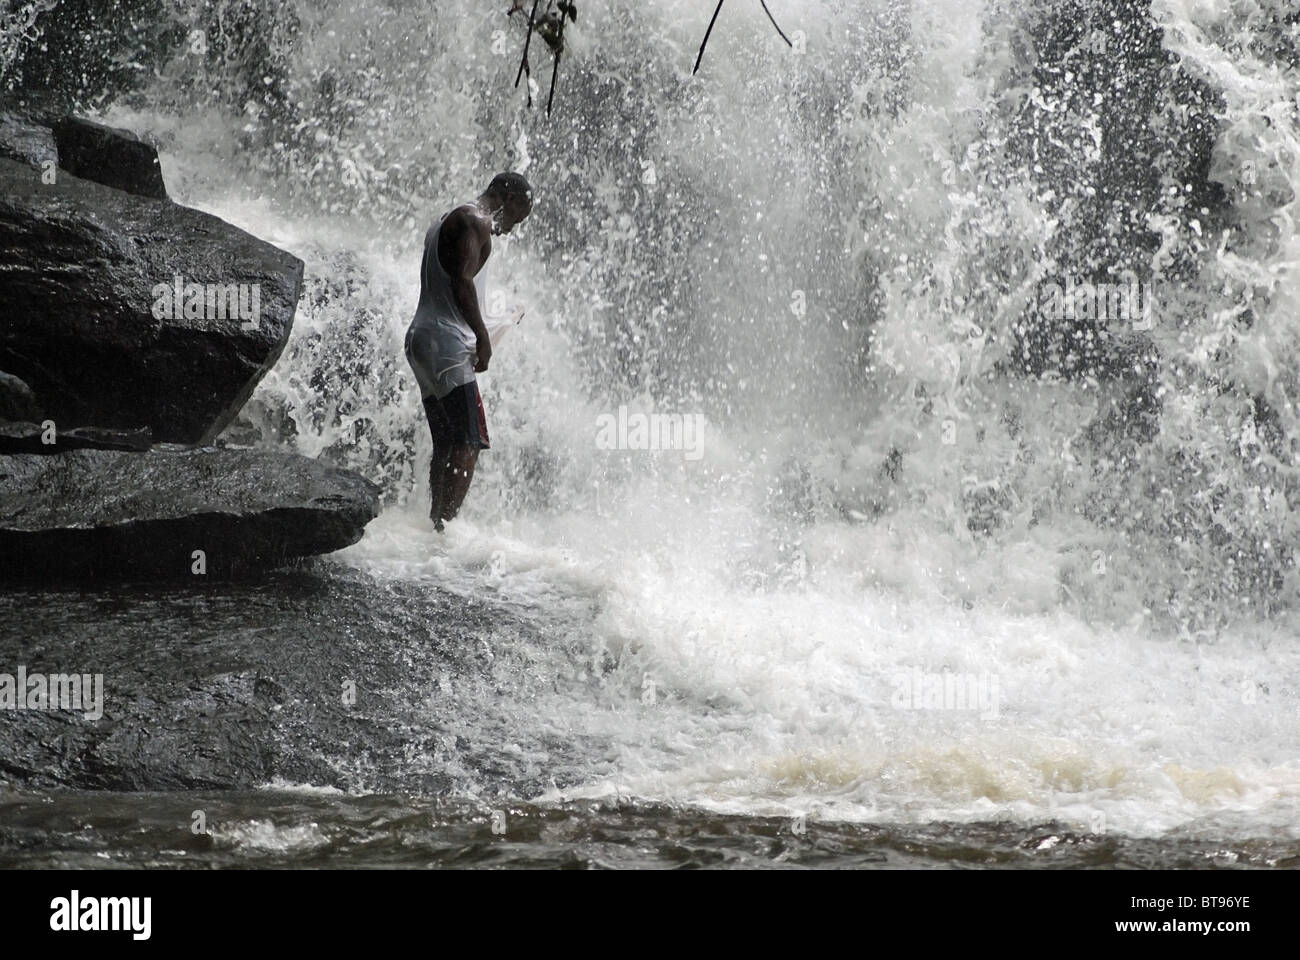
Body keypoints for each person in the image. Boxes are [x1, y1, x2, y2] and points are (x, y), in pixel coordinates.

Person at [405, 172, 532, 530]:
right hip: (446, 346)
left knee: (446, 440)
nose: (514, 227)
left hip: (421, 340)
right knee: (468, 442)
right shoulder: (475, 220)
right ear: (508, 197)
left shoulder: (448, 219)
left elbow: (450, 286)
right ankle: (445, 526)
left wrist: (500, 320)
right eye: (519, 215)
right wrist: (483, 338)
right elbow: (461, 283)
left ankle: (435, 525)